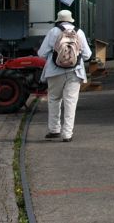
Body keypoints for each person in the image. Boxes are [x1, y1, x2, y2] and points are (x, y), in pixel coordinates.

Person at [37, 10, 91, 143]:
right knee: (70, 102)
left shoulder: (53, 32)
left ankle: (54, 130)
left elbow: (42, 53)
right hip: (75, 71)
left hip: (54, 71)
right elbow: (87, 55)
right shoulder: (79, 32)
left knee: (54, 99)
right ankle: (67, 134)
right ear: (71, 20)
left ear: (58, 20)